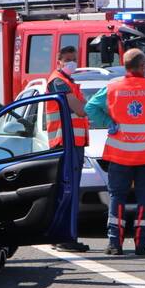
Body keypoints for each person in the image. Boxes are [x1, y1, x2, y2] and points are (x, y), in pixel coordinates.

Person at [85, 49, 145, 255]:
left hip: (120, 155)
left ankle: (115, 244)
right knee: (144, 199)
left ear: (126, 67)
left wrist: (108, 123)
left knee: (117, 198)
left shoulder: (113, 88)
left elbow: (91, 107)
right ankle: (141, 244)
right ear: (141, 67)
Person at [47, 46, 91, 252]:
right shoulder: (58, 81)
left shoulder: (68, 82)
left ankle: (63, 236)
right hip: (66, 144)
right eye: (67, 59)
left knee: (69, 191)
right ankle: (65, 237)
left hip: (73, 143)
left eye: (74, 59)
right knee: (68, 191)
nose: (72, 62)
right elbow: (81, 109)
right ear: (59, 62)